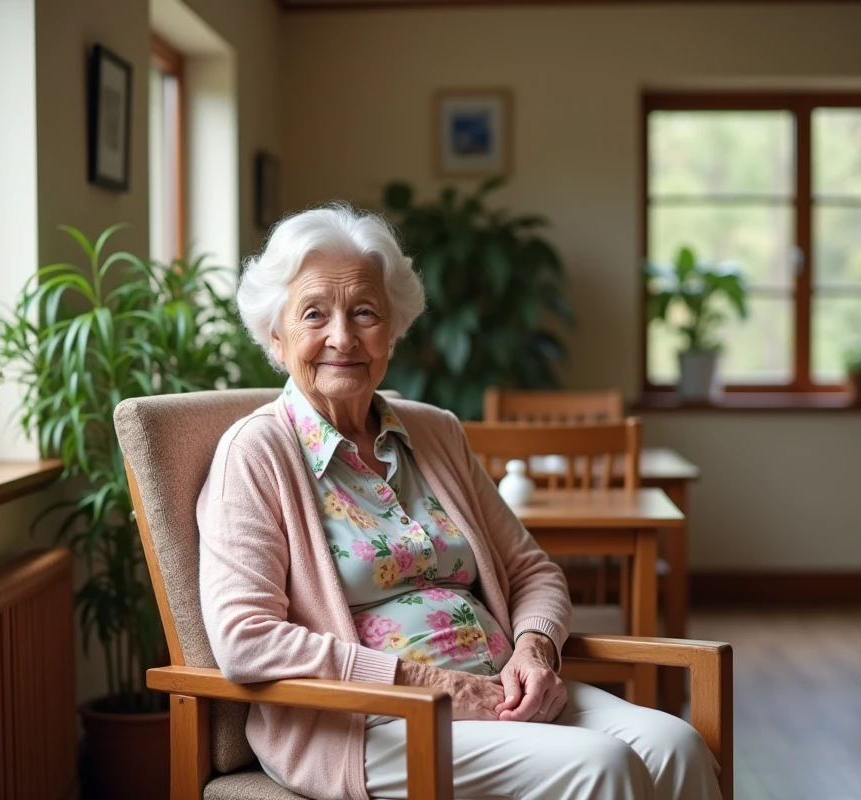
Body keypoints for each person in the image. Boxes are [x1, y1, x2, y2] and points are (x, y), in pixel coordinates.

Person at [197, 203, 721, 800]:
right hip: (370, 720)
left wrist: (536, 649)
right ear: (275, 333)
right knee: (601, 765)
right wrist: (425, 683)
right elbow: (245, 636)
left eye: (365, 312)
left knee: (678, 748)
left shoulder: (434, 431)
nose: (341, 337)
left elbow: (531, 569)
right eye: (313, 314)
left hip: (502, 689)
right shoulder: (256, 452)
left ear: (393, 329)